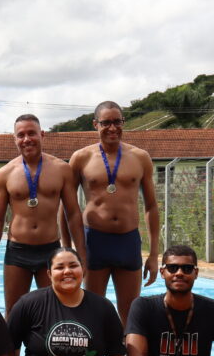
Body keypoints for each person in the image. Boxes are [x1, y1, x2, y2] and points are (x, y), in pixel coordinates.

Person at [65, 101, 160, 328]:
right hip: (94, 241)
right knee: (92, 313)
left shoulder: (140, 157)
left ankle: (129, 353)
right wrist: (68, 249)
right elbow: (67, 207)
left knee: (131, 314)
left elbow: (151, 206)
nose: (112, 128)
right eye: (106, 123)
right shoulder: (81, 158)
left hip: (128, 241)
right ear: (95, 124)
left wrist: (154, 254)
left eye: (117, 122)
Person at [0, 114, 84, 314]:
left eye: (31, 133)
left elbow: (73, 214)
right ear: (14, 139)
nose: (26, 139)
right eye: (21, 135)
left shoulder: (61, 169)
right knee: (13, 314)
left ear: (42, 135)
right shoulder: (5, 173)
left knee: (54, 312)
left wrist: (82, 255)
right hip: (17, 251)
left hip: (50, 250)